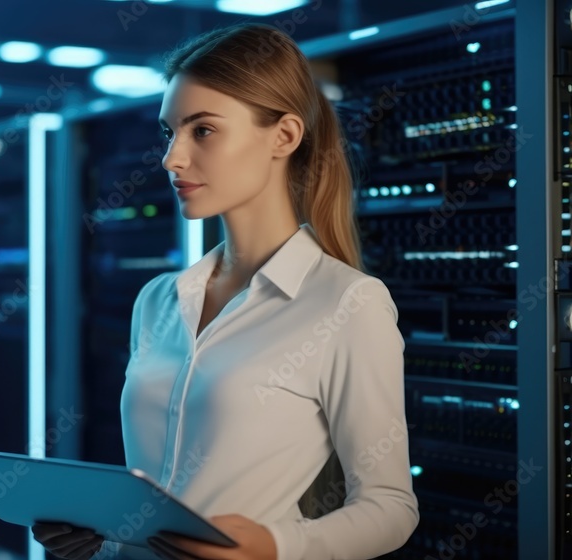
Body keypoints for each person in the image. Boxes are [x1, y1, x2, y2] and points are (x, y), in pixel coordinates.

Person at [33, 22, 419, 560]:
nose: (172, 158)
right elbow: (152, 490)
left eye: (203, 130)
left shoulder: (348, 302)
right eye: (169, 132)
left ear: (284, 136)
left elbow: (390, 506)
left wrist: (276, 544)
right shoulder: (158, 300)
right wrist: (97, 538)